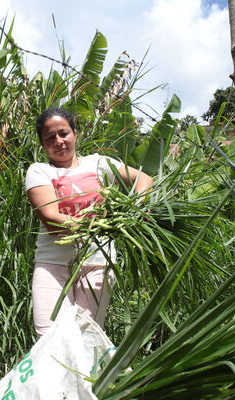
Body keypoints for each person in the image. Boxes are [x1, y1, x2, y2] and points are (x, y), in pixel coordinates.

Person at [25, 107, 152, 337]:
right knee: (49, 336)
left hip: (98, 263)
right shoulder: (39, 171)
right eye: (50, 137)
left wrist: (137, 206)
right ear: (43, 144)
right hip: (53, 264)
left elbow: (143, 179)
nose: (59, 141)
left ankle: (89, 374)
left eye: (64, 133)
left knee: (86, 335)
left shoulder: (99, 163)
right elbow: (52, 220)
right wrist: (101, 222)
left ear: (75, 133)